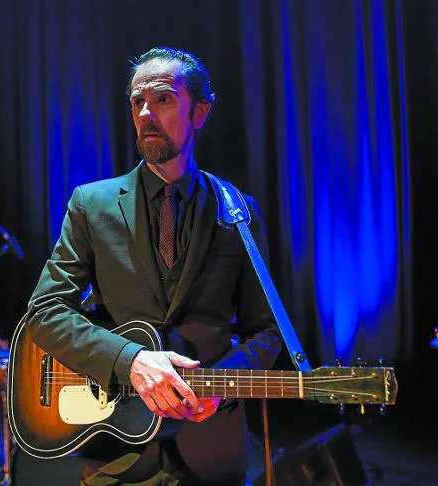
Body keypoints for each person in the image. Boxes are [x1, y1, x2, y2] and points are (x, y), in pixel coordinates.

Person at [24, 46, 282, 485]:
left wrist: (217, 390)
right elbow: (45, 312)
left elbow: (268, 331)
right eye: (136, 101)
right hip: (114, 451)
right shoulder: (92, 204)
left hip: (211, 450)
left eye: (162, 99)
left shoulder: (238, 210)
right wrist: (131, 360)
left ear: (199, 112)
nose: (145, 112)